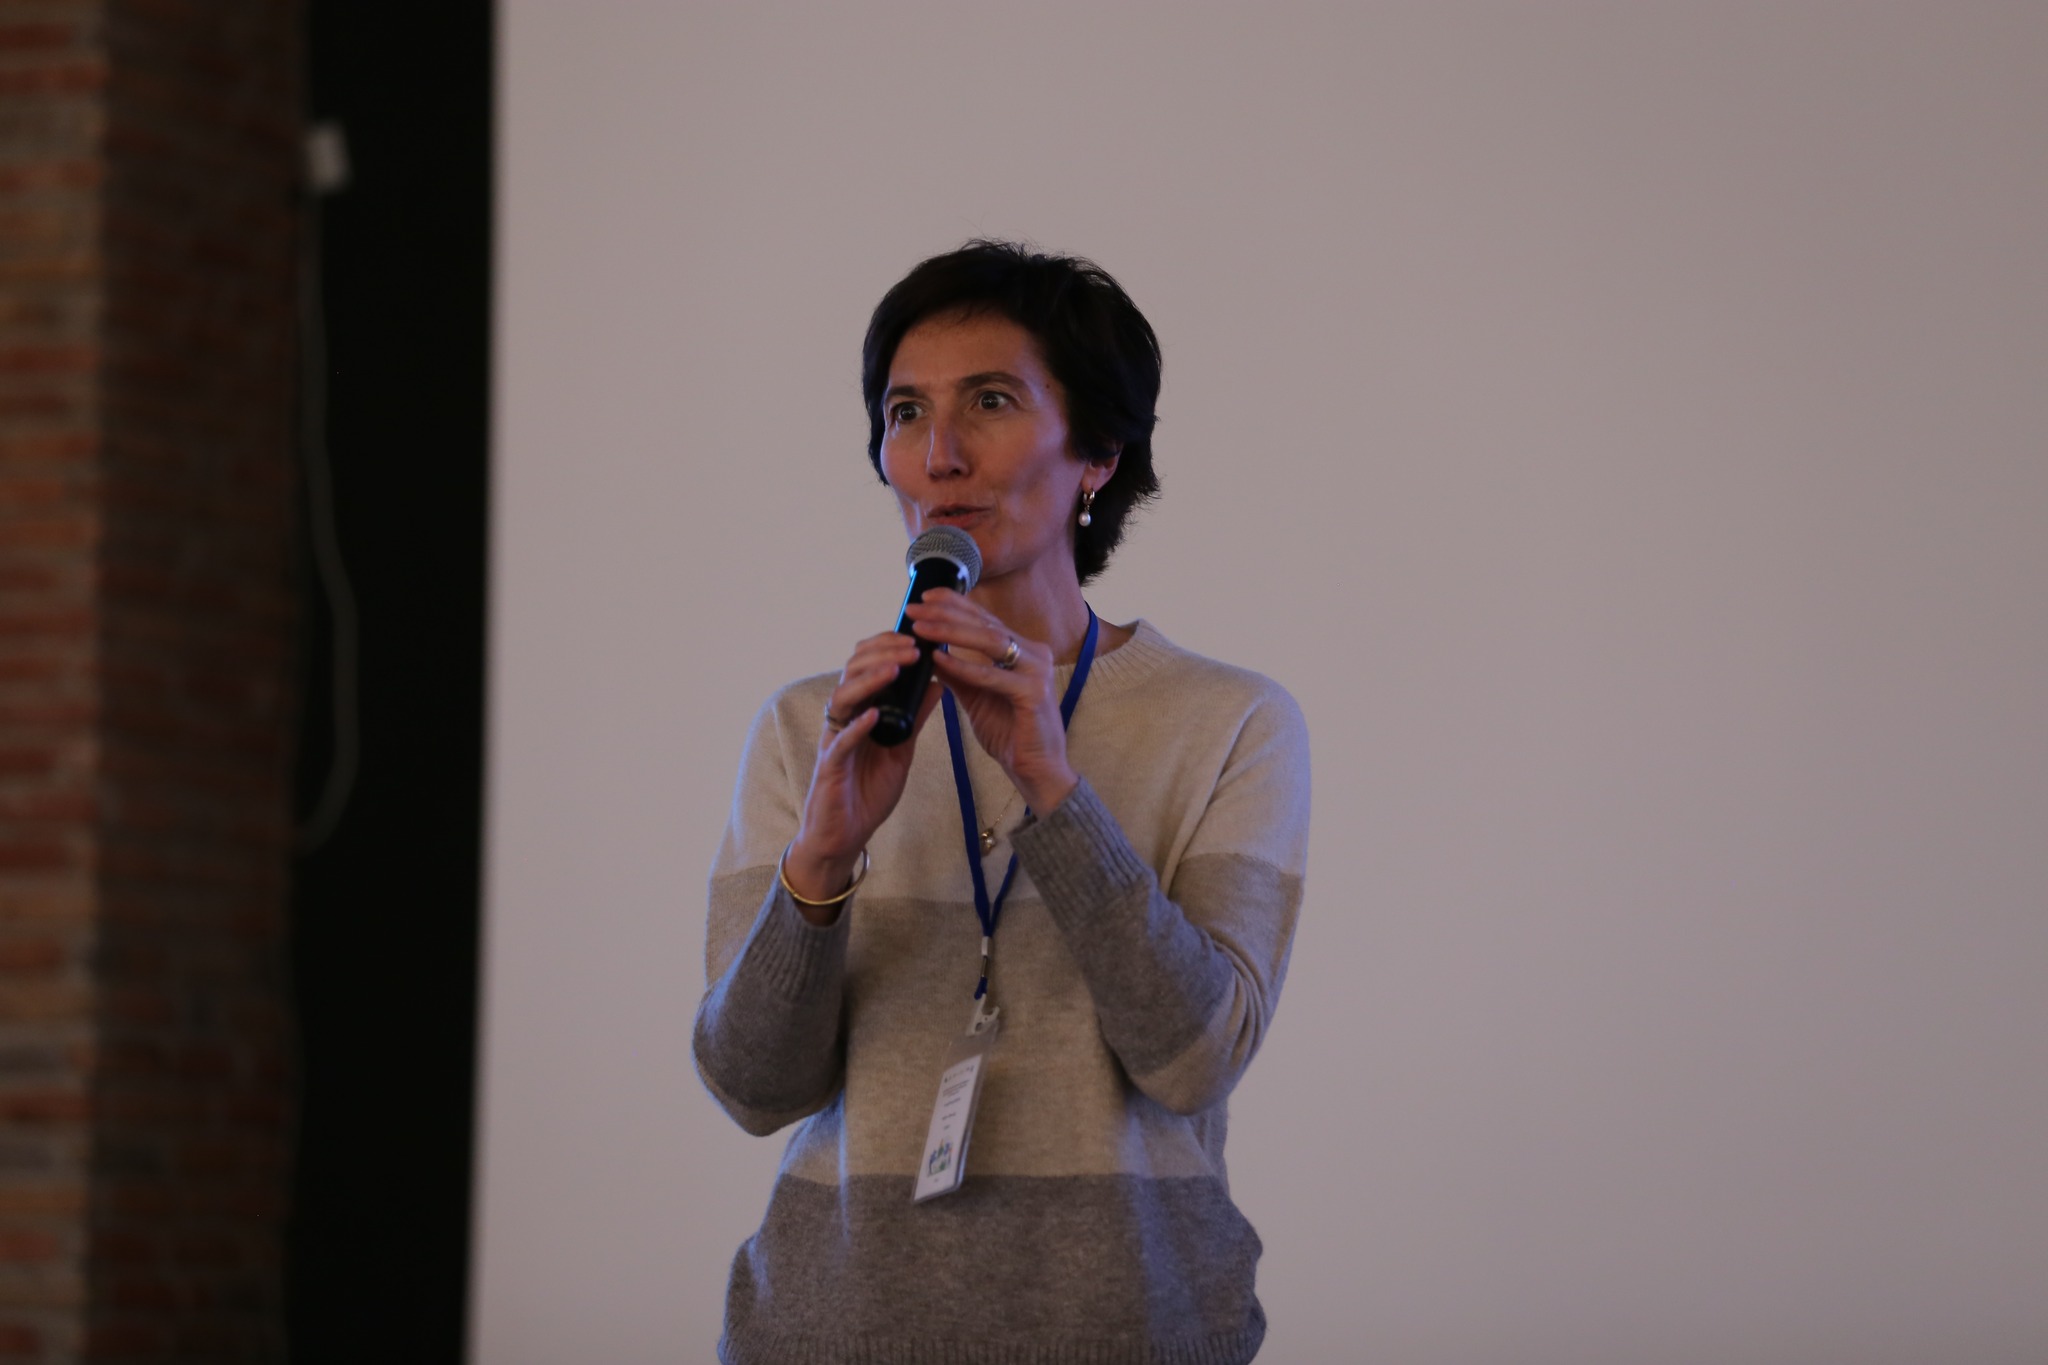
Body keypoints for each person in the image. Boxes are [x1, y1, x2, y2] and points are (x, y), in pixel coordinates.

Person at [694, 240, 1311, 1364]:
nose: (938, 454)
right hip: (827, 1334)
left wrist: (1052, 789)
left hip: (1125, 1334)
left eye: (989, 401)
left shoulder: (1229, 721)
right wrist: (820, 864)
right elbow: (751, 1086)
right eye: (905, 413)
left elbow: (1192, 1060)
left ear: (1098, 454)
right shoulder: (814, 725)